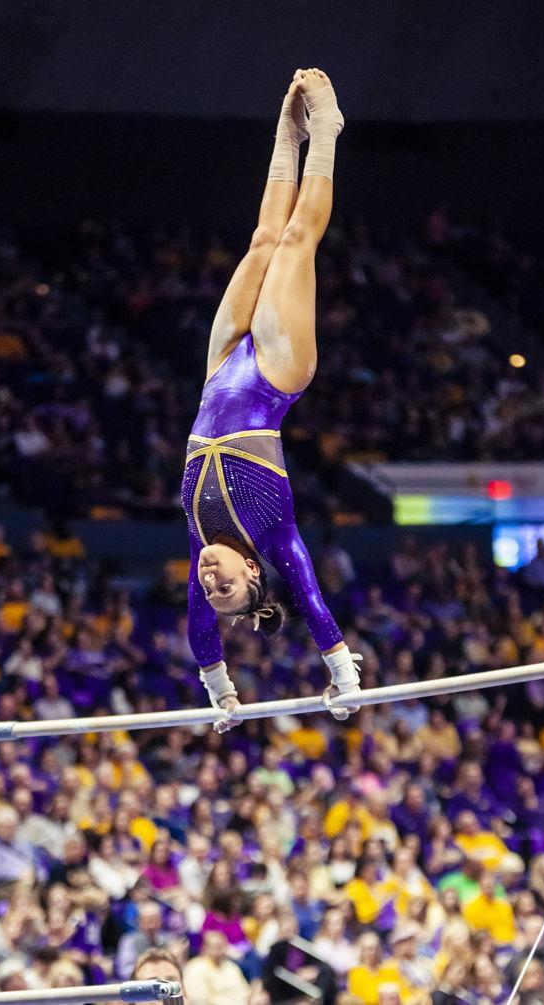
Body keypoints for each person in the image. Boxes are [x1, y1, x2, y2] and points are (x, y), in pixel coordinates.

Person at [180, 69, 362, 730]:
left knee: (261, 240)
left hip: (220, 373)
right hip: (275, 378)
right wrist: (342, 673)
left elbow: (202, 633)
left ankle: (288, 133)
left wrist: (221, 693)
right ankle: (328, 135)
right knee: (293, 242)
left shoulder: (199, 536)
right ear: (254, 572)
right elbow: (311, 597)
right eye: (225, 584)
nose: (209, 579)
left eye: (208, 587)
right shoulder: (274, 532)